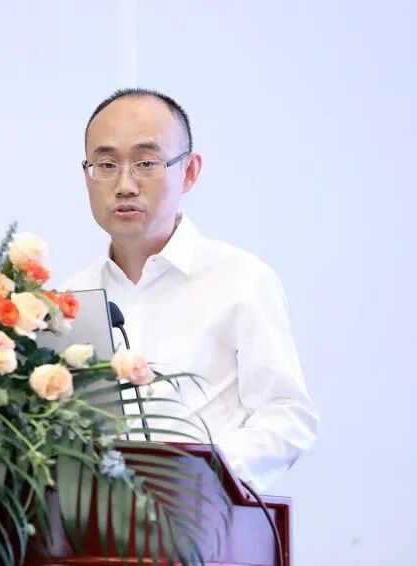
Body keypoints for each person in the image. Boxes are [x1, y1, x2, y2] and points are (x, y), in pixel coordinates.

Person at [63, 88, 318, 490]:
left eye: (146, 163)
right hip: (95, 519)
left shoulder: (241, 279)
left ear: (189, 171)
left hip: (202, 513)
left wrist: (198, 470)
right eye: (106, 165)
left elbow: (288, 416)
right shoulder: (69, 299)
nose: (124, 184)